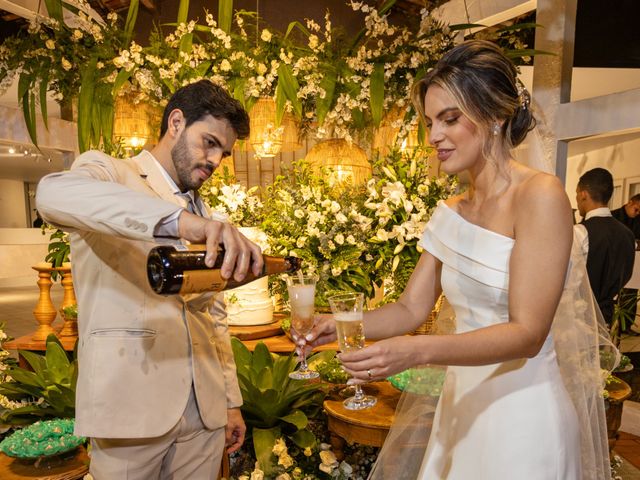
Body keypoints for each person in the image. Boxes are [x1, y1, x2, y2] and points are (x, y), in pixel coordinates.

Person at [304, 40, 615, 479]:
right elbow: (410, 309)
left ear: (494, 116)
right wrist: (336, 326)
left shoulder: (540, 195)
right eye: (430, 122)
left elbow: (527, 333)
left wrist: (417, 352)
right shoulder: (450, 213)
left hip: (522, 416)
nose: (433, 136)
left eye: (449, 119)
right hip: (460, 408)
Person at [36, 80, 263, 480]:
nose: (215, 161)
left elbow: (214, 315)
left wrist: (230, 400)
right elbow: (52, 195)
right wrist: (182, 223)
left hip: (203, 414)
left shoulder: (201, 206)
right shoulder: (111, 172)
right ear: (176, 122)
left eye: (223, 153)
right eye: (208, 142)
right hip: (131, 407)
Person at [574, 168, 635, 327]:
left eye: (577, 194)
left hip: (579, 316)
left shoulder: (580, 232)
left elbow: (569, 277)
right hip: (607, 316)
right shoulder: (628, 235)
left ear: (583, 194)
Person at [611, 194, 640, 333]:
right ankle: (608, 325)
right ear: (630, 202)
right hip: (615, 262)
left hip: (634, 263)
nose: (638, 213)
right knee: (612, 294)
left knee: (631, 296)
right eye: (636, 209)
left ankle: (626, 326)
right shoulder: (613, 216)